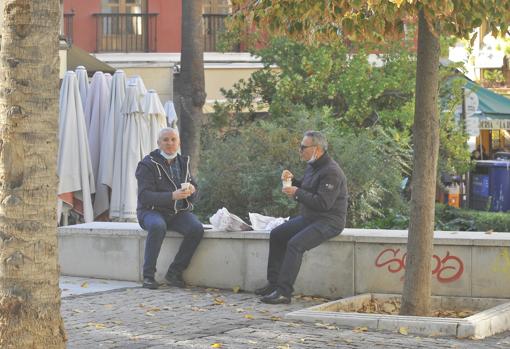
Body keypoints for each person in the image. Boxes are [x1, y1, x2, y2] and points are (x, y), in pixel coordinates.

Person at [256, 130, 348, 304]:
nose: (300, 150)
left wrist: (296, 192)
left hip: (329, 221)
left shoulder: (332, 172)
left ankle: (284, 292)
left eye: (303, 147)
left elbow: (323, 203)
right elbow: (309, 189)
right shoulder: (314, 166)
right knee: (277, 235)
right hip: (311, 217)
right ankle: (274, 284)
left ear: (317, 149)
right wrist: (293, 181)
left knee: (295, 245)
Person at [136, 127, 204, 289]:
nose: (169, 143)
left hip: (177, 212)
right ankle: (148, 276)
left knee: (196, 228)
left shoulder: (183, 162)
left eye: (173, 139)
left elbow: (194, 188)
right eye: (165, 140)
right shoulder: (147, 164)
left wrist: (192, 191)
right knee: (158, 226)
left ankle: (174, 272)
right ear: (158, 143)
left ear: (178, 143)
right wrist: (171, 196)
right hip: (150, 211)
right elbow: (144, 196)